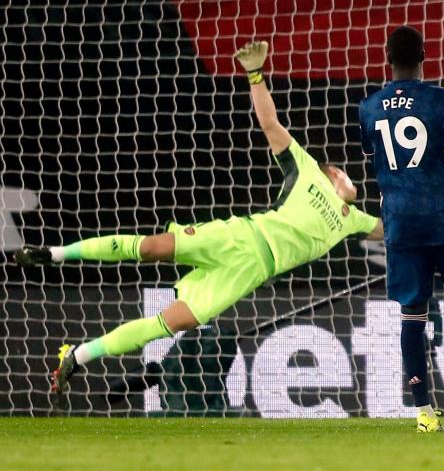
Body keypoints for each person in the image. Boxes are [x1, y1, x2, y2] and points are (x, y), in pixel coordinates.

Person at [15, 41, 383, 396]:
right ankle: (53, 253)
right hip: (240, 236)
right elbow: (270, 123)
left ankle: (78, 355)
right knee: (152, 248)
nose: (355, 182)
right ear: (334, 173)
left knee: (172, 324)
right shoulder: (306, 170)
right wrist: (255, 75)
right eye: (349, 175)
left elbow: (391, 231)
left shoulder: (353, 219)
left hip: (248, 271)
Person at [357, 25, 444, 433]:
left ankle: (423, 413)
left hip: (400, 224)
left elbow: (377, 161)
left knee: (412, 314)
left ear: (388, 58)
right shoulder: (442, 99)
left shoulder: (368, 108)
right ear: (424, 57)